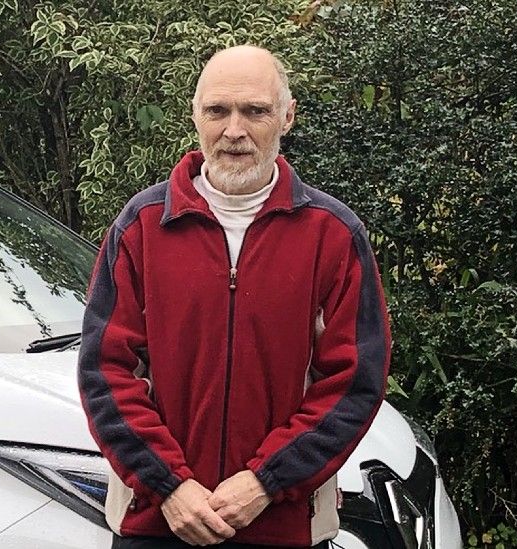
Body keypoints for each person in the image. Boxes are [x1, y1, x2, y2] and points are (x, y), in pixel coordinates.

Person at [77, 45, 391, 548]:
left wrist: (267, 481)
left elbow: (354, 380)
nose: (234, 130)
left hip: (281, 525)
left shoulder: (332, 234)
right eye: (218, 110)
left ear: (287, 116)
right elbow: (105, 371)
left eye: (256, 111)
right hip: (159, 524)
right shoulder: (141, 227)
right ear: (195, 115)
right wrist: (171, 486)